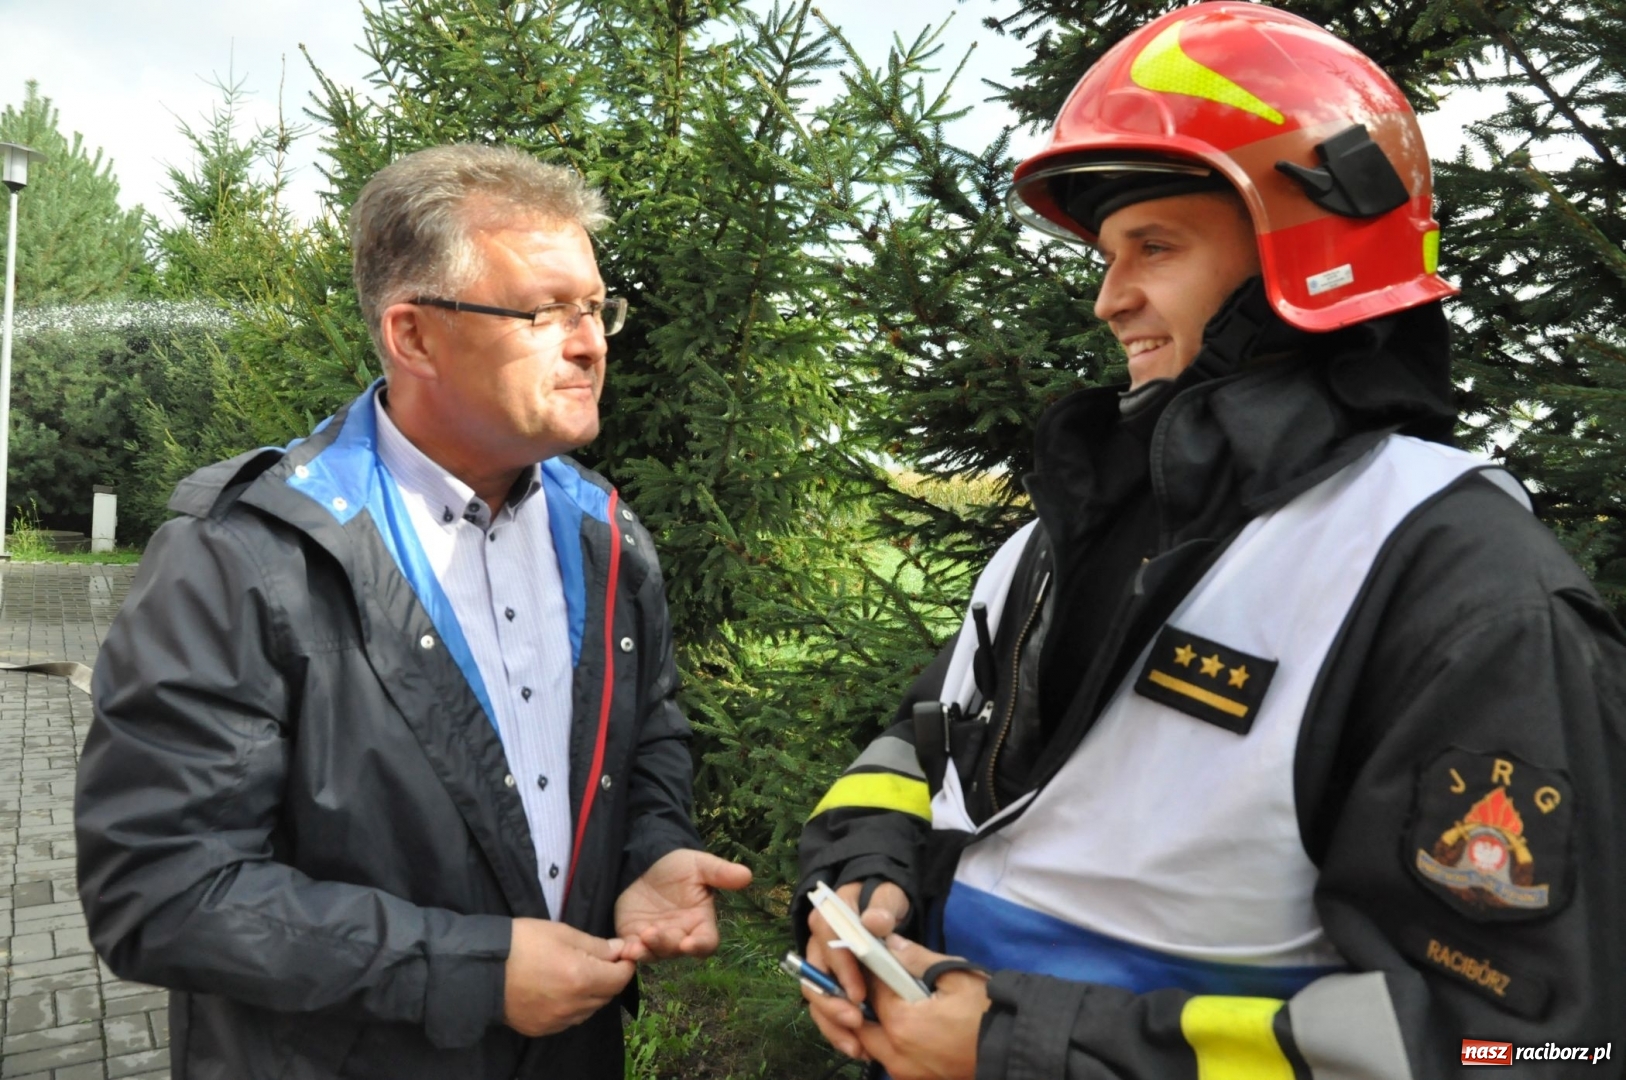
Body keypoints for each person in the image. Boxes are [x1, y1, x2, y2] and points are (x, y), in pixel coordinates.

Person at [795, 5, 1626, 1078]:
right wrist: (870, 872)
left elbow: (1519, 1049)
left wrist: (1019, 1049)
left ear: (1306, 253)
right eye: (1106, 253)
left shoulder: (1459, 587)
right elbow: (920, 743)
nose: (1109, 298)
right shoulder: (1062, 541)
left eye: (1156, 247)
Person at [75, 143, 751, 1080]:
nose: (592, 342)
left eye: (596, 307)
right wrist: (469, 971)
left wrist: (649, 852)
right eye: (545, 311)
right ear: (414, 336)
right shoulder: (243, 557)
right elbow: (163, 890)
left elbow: (650, 741)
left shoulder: (606, 536)